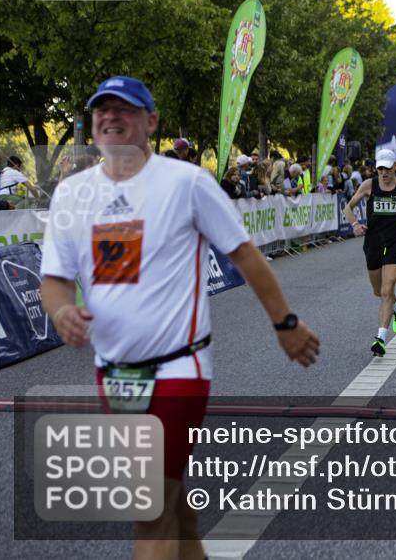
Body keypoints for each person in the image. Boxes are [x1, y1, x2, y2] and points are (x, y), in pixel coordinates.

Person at [39, 75, 320, 560]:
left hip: (179, 367)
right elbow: (55, 278)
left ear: (150, 122)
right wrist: (62, 310)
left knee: (149, 510)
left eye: (123, 110)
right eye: (101, 110)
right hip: (114, 373)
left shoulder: (186, 182)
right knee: (171, 499)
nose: (110, 118)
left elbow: (246, 255)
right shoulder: (72, 194)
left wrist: (286, 324)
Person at [344, 148, 396, 357]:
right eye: (380, 168)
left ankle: (381, 339)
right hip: (373, 242)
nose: (383, 172)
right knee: (378, 291)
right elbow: (349, 207)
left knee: (386, 289)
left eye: (387, 168)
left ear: (395, 167)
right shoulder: (368, 185)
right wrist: (355, 223)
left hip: (395, 242)